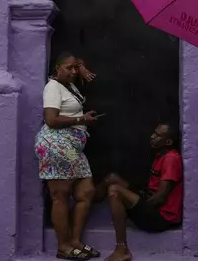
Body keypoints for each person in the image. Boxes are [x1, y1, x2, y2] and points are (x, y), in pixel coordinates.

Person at [35, 52, 101, 260]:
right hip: (56, 144)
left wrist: (81, 67)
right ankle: (63, 246)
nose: (73, 71)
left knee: (86, 191)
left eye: (75, 68)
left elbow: (75, 58)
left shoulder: (68, 85)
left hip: (73, 147)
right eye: (68, 68)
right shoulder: (52, 87)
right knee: (60, 196)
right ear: (57, 69)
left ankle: (75, 241)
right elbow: (51, 119)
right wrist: (81, 118)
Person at [100, 123, 183, 261]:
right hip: (150, 201)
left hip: (161, 217)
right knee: (112, 178)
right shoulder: (161, 155)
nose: (152, 136)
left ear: (168, 142)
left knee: (115, 191)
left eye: (157, 135)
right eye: (154, 133)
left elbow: (160, 198)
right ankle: (90, 200)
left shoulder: (171, 159)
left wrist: (134, 205)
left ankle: (122, 249)